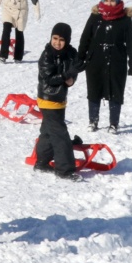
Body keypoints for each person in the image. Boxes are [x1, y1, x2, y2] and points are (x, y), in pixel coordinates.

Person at [79, 0, 132, 133]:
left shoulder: (125, 19)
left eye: (112, 1)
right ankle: (93, 121)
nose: (109, 3)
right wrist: (80, 58)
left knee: (116, 91)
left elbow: (131, 43)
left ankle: (114, 123)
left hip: (117, 61)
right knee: (94, 90)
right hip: (95, 60)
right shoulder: (95, 17)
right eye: (106, 0)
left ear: (117, 1)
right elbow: (85, 38)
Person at [34, 23, 82, 180]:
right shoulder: (47, 55)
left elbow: (75, 68)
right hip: (47, 99)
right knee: (60, 135)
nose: (57, 42)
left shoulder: (71, 52)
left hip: (59, 99)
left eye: (61, 39)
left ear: (67, 40)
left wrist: (72, 79)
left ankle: (42, 162)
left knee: (48, 133)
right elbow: (50, 78)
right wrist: (66, 76)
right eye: (55, 38)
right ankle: (65, 170)